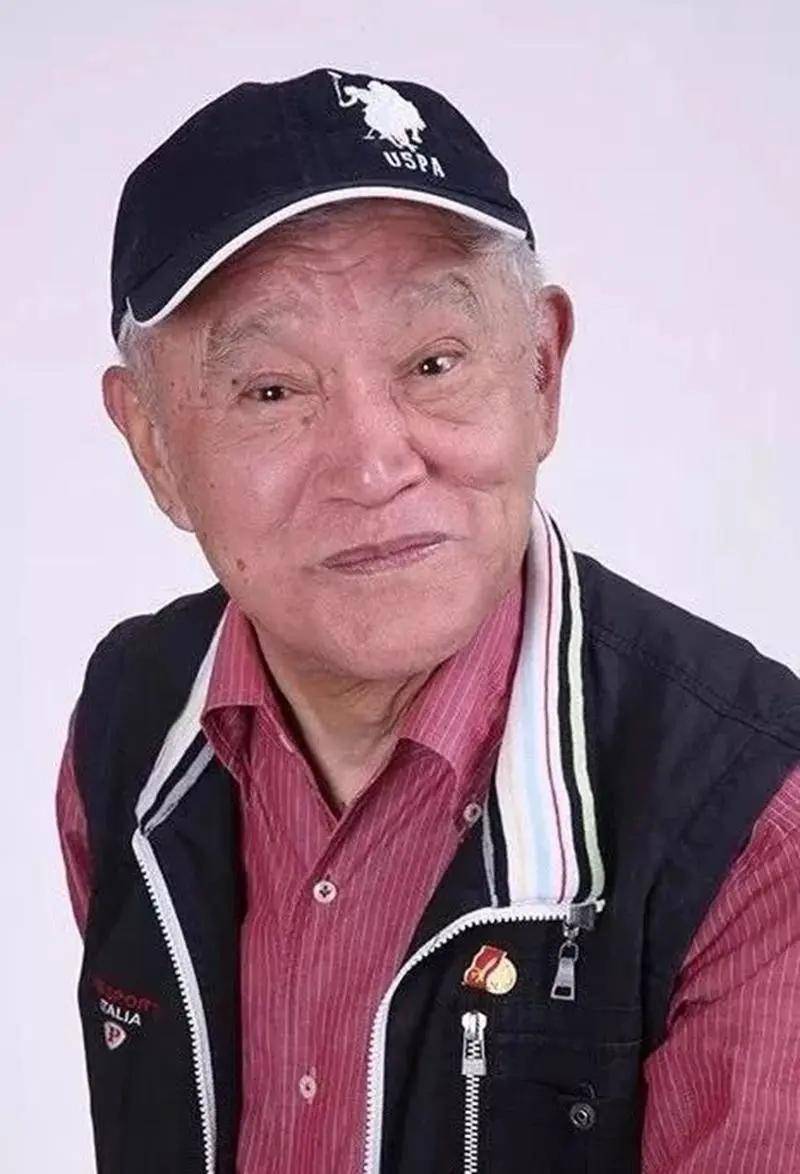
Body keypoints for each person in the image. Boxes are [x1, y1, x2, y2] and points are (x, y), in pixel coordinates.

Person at [55, 66, 800, 1174]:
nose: (371, 465)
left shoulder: (756, 822)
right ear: (153, 445)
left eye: (433, 363)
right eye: (271, 391)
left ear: (539, 373)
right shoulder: (129, 724)